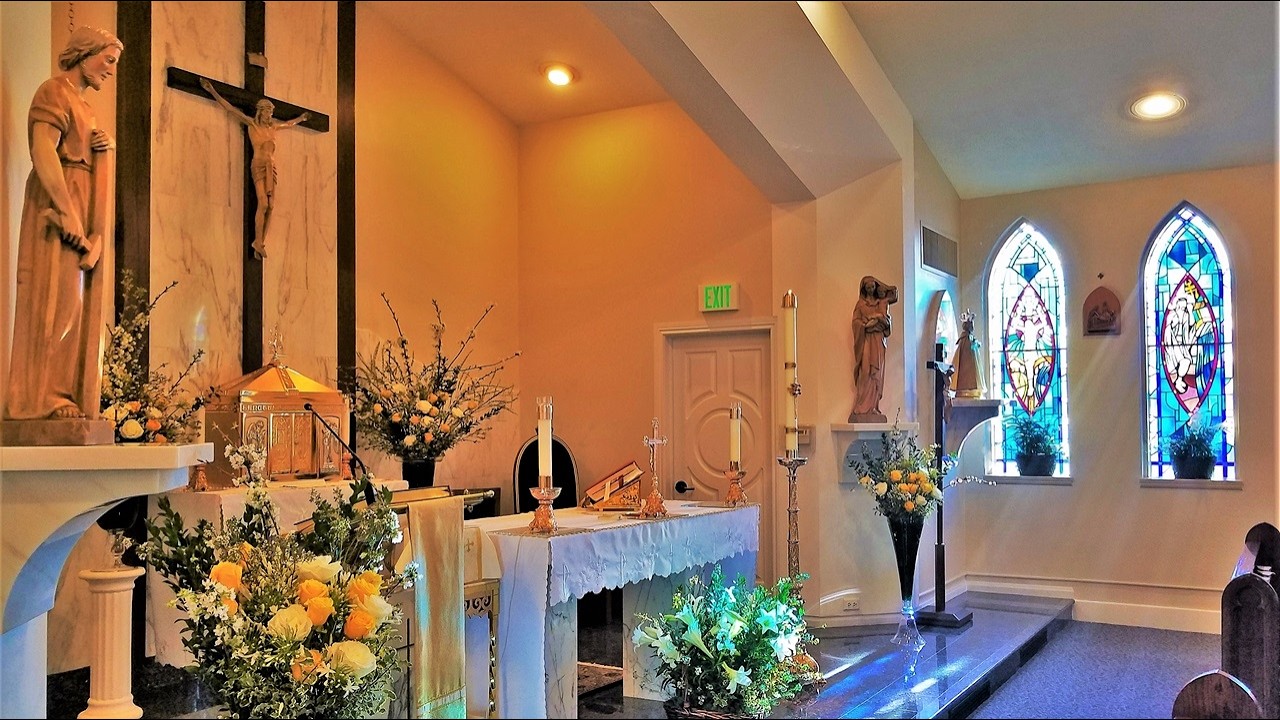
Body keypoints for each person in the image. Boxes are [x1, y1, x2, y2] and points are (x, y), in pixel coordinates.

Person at [6, 26, 122, 421]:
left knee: (76, 305)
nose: (110, 70)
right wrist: (67, 210)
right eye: (107, 60)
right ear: (85, 53)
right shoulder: (53, 92)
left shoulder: (85, 108)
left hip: (81, 202)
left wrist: (104, 149)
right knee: (56, 300)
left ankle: (63, 391)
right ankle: (43, 398)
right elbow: (43, 150)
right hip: (58, 204)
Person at [199, 77, 310, 259]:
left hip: (271, 167)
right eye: (267, 111)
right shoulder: (252, 125)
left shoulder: (273, 128)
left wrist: (301, 118)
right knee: (263, 203)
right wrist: (212, 91)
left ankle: (260, 242)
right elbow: (230, 109)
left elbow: (289, 123)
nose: (270, 115)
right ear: (260, 111)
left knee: (271, 206)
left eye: (271, 112)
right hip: (258, 165)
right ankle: (257, 240)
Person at [850, 275, 899, 422]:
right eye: (868, 287)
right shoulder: (860, 305)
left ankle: (873, 407)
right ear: (864, 289)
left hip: (878, 341)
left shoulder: (881, 303)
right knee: (866, 371)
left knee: (877, 373)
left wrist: (879, 319)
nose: (871, 290)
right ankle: (862, 407)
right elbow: (855, 322)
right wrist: (865, 326)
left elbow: (887, 322)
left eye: (873, 287)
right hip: (867, 339)